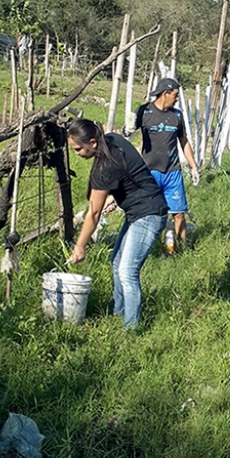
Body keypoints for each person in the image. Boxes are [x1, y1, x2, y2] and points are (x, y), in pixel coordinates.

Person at [67, 118, 167, 329]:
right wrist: (116, 195)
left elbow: (94, 213)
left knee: (127, 271)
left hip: (148, 213)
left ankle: (131, 329)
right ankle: (118, 313)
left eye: (78, 149)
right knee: (116, 261)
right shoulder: (113, 140)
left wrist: (80, 246)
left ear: (93, 142)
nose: (77, 153)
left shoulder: (104, 167)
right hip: (140, 209)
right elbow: (130, 171)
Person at [134, 77, 200, 251]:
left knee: (179, 214)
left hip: (172, 172)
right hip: (149, 172)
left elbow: (184, 142)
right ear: (165, 93)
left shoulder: (176, 116)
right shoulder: (144, 111)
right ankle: (147, 248)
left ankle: (182, 249)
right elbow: (128, 132)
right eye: (176, 95)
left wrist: (193, 166)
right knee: (148, 213)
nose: (178, 98)